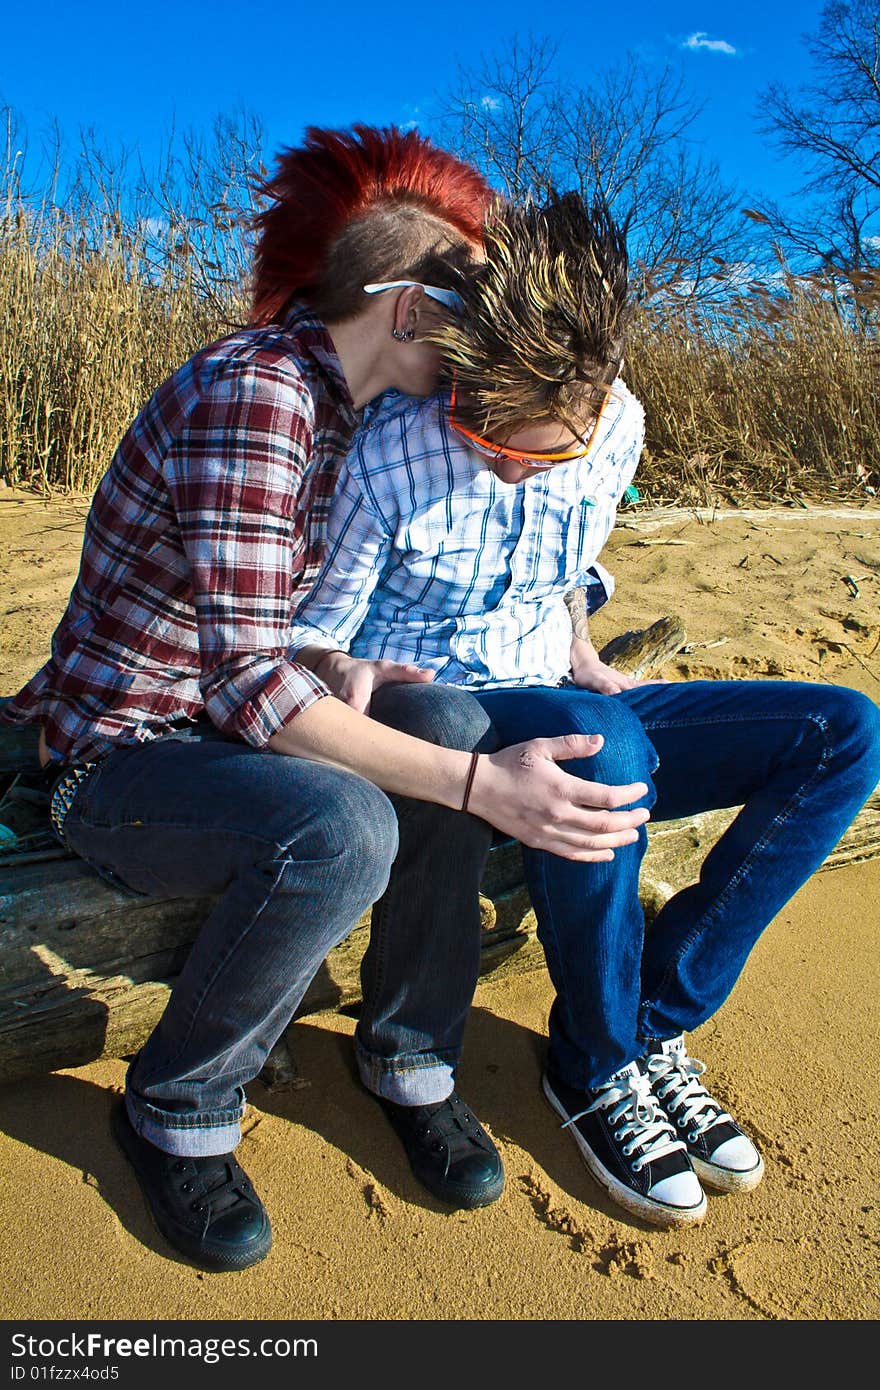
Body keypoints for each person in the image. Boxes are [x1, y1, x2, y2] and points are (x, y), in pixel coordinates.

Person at [1, 134, 653, 1272]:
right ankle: (176, 1103)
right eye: (472, 303)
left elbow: (276, 633)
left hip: (213, 729)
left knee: (443, 714)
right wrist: (475, 784)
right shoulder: (258, 396)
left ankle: (412, 1056)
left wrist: (351, 667)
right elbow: (248, 684)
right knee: (341, 827)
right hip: (120, 757)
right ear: (408, 310)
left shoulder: (341, 401)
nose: (486, 336)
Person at [289, 191, 880, 1230]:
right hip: (456, 714)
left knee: (843, 728)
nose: (507, 461)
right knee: (601, 746)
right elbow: (322, 630)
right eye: (486, 433)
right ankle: (594, 1065)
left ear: (597, 408)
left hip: (563, 691)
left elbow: (569, 564)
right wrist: (362, 687)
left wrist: (578, 643)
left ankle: (653, 1020)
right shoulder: (396, 444)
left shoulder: (623, 430)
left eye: (541, 451)